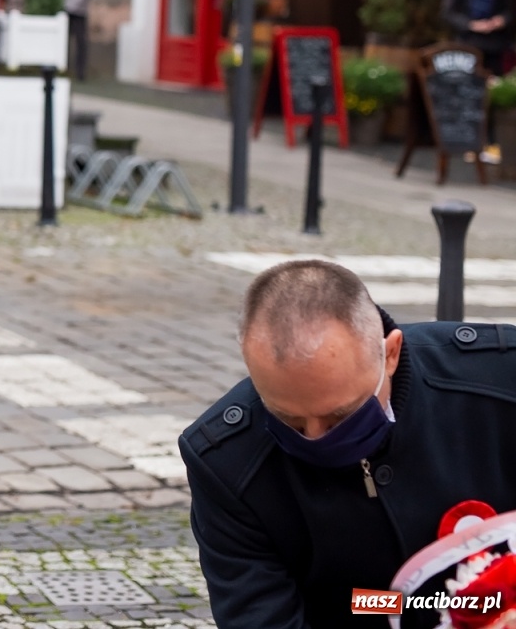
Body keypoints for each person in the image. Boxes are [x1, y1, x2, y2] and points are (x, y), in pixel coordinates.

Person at [182, 259, 516, 628]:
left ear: (389, 354)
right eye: (288, 419)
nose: (316, 438)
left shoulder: (499, 385)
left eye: (341, 416)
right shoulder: (228, 464)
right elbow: (261, 616)